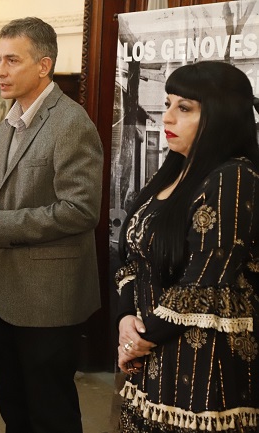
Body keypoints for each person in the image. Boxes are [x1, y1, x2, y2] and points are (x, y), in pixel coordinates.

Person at [0, 17, 103, 432]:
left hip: (49, 297)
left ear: (44, 65)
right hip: (8, 291)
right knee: (15, 411)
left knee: (51, 415)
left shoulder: (71, 122)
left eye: (12, 60)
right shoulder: (10, 116)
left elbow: (81, 210)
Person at [116, 61, 259, 431]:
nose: (167, 117)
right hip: (153, 356)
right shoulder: (174, 171)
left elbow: (205, 282)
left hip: (203, 371)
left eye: (184, 108)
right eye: (167, 104)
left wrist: (138, 341)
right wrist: (125, 321)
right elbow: (133, 257)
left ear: (221, 116)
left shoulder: (234, 177)